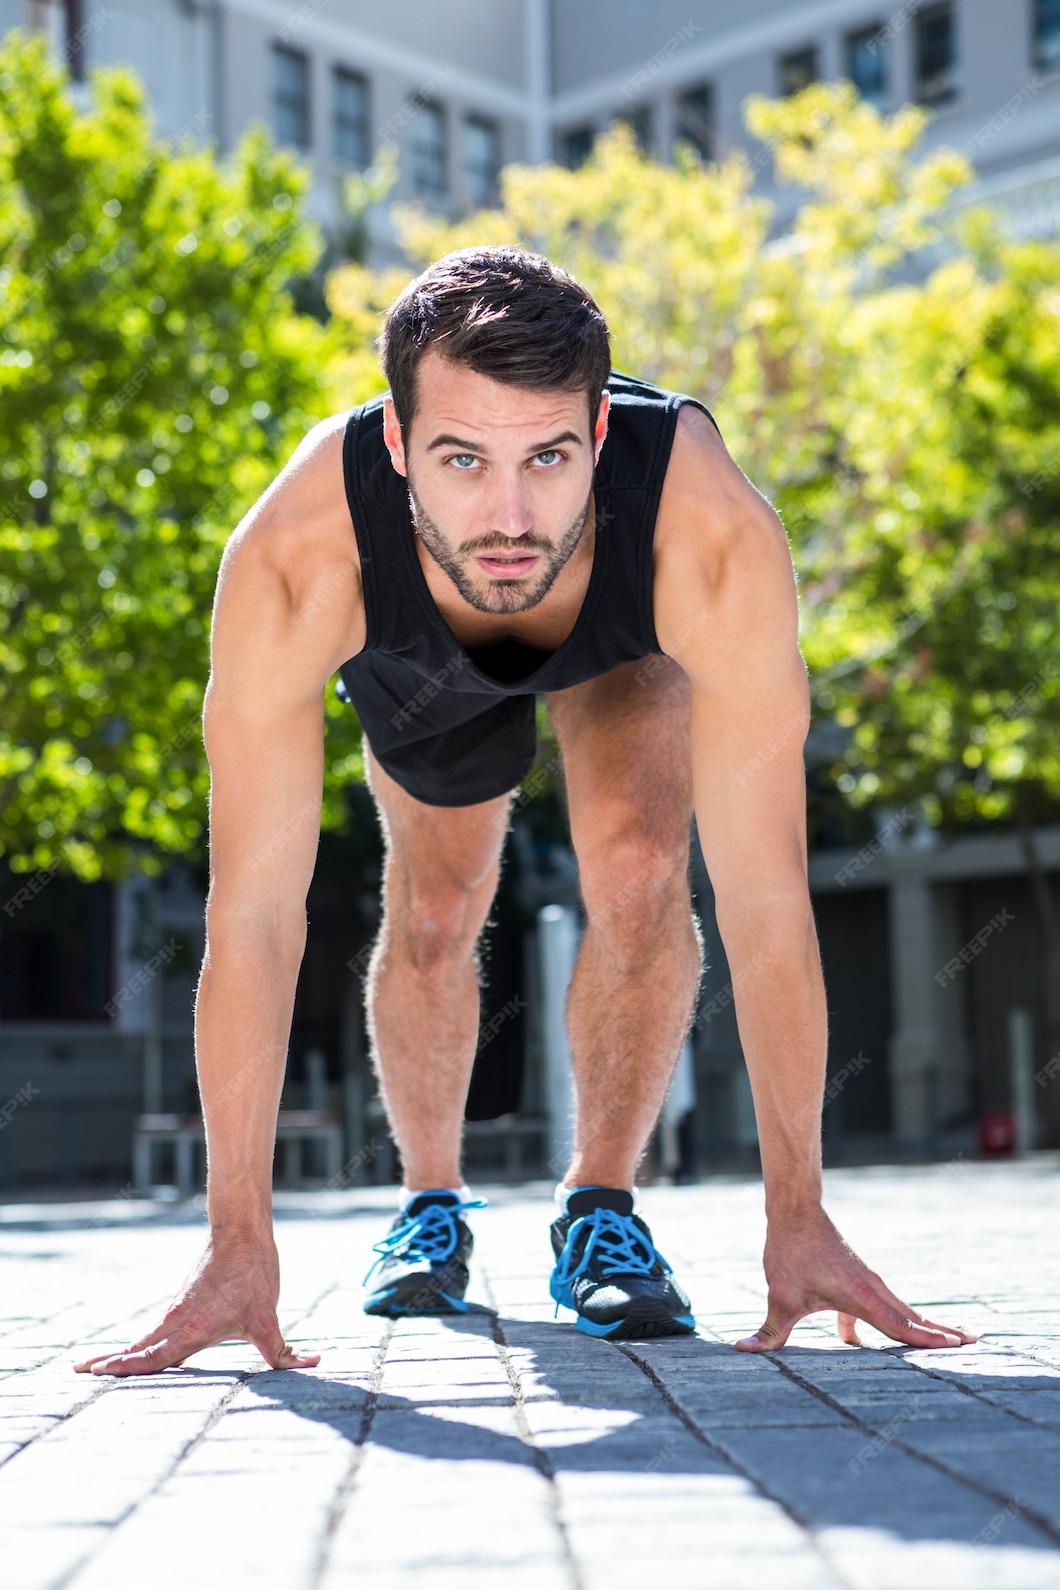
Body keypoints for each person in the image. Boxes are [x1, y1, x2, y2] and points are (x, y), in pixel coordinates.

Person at [75, 246, 975, 1375]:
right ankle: (429, 1204)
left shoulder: (705, 530)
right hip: (415, 657)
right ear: (396, 445)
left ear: (599, 434)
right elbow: (253, 916)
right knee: (440, 907)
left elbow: (763, 895)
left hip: (618, 631)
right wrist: (235, 1243)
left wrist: (798, 1212)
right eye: (460, 458)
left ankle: (600, 1204)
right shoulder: (303, 553)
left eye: (548, 456)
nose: (508, 514)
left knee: (646, 866)